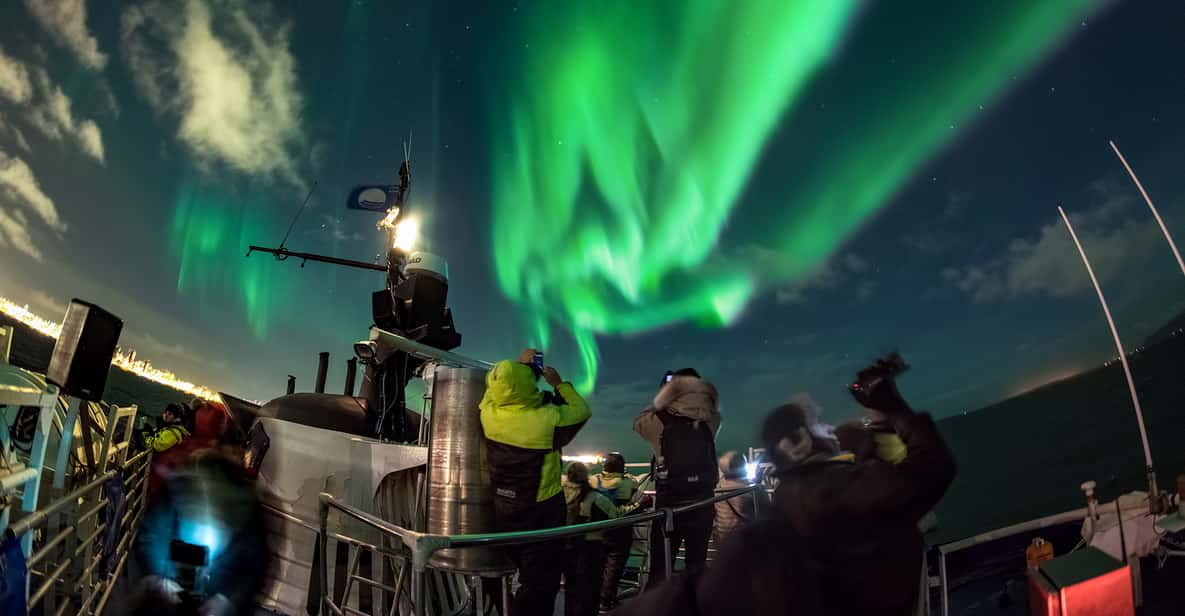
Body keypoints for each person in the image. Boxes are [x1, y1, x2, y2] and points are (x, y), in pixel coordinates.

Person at [759, 360, 956, 616]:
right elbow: (935, 466)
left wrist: (879, 421)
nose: (830, 428)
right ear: (796, 442)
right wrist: (895, 407)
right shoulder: (837, 488)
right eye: (817, 421)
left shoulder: (789, 495)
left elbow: (871, 497)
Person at [480, 348, 592, 616]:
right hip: (541, 509)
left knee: (504, 567)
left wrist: (514, 370)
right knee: (541, 580)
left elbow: (495, 391)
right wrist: (559, 384)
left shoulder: (488, 413)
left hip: (503, 506)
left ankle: (501, 605)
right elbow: (581, 411)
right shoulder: (548, 419)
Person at [633, 368, 720, 586]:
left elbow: (638, 423)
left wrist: (662, 398)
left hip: (670, 505)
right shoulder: (712, 419)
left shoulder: (658, 420)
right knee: (696, 566)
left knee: (661, 569)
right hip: (703, 503)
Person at [589, 452, 650, 611]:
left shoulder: (593, 480)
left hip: (594, 530)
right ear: (621, 467)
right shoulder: (627, 482)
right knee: (614, 566)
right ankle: (605, 600)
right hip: (620, 530)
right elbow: (636, 488)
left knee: (596, 565)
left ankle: (593, 598)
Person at [561, 462, 619, 616]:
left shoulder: (560, 493)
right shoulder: (594, 497)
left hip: (566, 548)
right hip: (590, 548)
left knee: (571, 589)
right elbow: (615, 515)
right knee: (590, 590)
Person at [711, 451, 770, 546]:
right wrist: (758, 483)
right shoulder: (751, 489)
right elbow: (765, 507)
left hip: (723, 541)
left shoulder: (719, 487)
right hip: (745, 541)